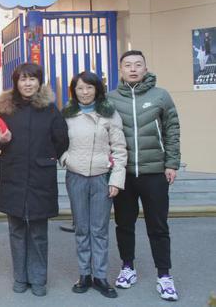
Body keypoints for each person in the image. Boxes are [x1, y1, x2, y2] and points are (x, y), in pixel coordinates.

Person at [0, 63, 69, 297]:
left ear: (39, 82)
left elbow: (62, 138)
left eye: (32, 79)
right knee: (17, 230)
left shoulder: (50, 109)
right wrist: (1, 140)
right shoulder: (5, 109)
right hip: (13, 175)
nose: (28, 84)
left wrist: (47, 155)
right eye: (23, 79)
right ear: (16, 82)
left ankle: (38, 279)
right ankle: (20, 278)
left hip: (40, 175)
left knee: (38, 232)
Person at [107, 50, 181, 301]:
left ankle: (164, 275)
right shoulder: (111, 99)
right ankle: (128, 267)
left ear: (146, 68)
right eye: (128, 65)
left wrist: (171, 163)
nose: (133, 69)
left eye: (138, 64)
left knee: (158, 226)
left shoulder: (161, 96)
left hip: (155, 173)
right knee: (124, 224)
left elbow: (172, 129)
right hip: (124, 175)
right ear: (121, 70)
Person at [61, 71, 127, 298]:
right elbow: (58, 143)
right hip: (76, 176)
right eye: (80, 88)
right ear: (74, 91)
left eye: (89, 87)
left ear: (97, 89)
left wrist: (116, 179)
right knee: (81, 229)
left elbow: (119, 149)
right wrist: (66, 160)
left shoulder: (109, 114)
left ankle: (100, 276)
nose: (85, 92)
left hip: (102, 177)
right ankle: (84, 274)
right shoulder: (67, 115)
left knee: (99, 230)